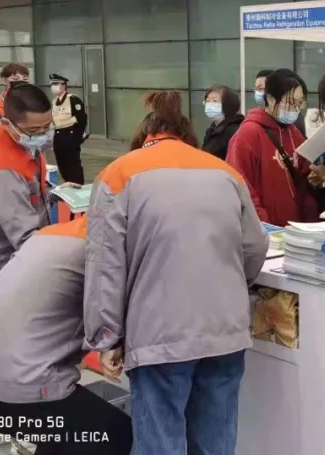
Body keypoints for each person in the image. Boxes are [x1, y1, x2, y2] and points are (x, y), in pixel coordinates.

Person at [84, 90, 269, 455]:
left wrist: (106, 337)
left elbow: (105, 266)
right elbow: (255, 246)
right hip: (225, 331)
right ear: (187, 136)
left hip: (159, 336)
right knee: (215, 442)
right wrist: (232, 285)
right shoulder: (225, 173)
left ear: (143, 138)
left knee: (161, 444)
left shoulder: (119, 174)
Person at [0, 215, 132, 455]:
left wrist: (110, 342)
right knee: (114, 433)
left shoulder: (50, 235)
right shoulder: (105, 253)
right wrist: (113, 342)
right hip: (16, 390)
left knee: (67, 433)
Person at [0, 83, 59, 300]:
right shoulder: (2, 169)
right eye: (34, 131)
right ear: (7, 123)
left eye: (47, 127)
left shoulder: (21, 142)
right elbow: (24, 236)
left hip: (14, 265)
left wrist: (56, 193)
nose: (42, 135)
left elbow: (27, 190)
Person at [226, 69, 321, 226]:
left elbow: (304, 182)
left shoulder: (294, 133)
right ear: (270, 99)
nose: (295, 109)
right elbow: (241, 183)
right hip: (265, 229)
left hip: (294, 229)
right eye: (290, 102)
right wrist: (264, 226)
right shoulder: (249, 133)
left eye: (300, 103)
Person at [49, 74, 88, 185]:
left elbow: (81, 119)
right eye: (52, 84)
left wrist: (77, 138)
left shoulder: (72, 99)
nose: (53, 86)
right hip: (58, 135)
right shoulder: (54, 101)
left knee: (72, 163)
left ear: (64, 85)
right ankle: (68, 183)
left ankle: (77, 184)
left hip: (70, 134)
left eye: (56, 84)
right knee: (62, 163)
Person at [201, 84, 245, 160]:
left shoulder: (234, 131)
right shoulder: (212, 131)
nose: (209, 105)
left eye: (215, 101)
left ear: (227, 104)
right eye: (207, 101)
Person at [0, 63, 30, 129]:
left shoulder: (35, 104)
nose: (21, 83)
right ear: (4, 80)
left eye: (25, 79)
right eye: (15, 79)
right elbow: (2, 131)